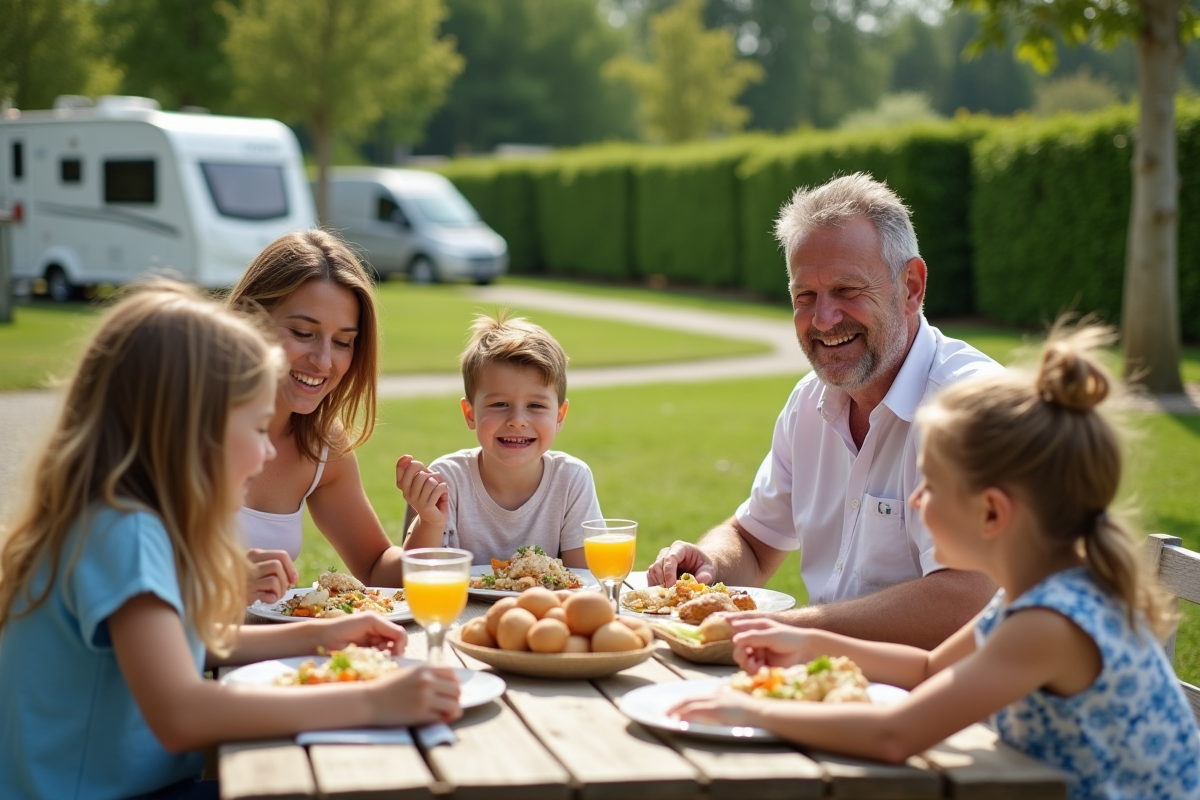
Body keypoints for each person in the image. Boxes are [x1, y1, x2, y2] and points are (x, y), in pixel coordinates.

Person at [670, 323, 1200, 799]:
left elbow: (895, 734)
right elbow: (928, 667)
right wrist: (807, 643)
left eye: (931, 487)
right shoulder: (1040, 596)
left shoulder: (1049, 622)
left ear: (992, 513)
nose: (916, 503)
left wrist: (753, 712)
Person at [0, 283, 460, 800]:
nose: (268, 452)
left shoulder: (128, 517)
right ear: (189, 426)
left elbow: (196, 642)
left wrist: (321, 635)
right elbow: (181, 714)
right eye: (257, 427)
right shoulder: (123, 531)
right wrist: (375, 703)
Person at [649, 173, 997, 648]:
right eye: (804, 297)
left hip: (953, 707)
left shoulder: (972, 408)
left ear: (911, 287)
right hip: (837, 688)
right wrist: (710, 561)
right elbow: (753, 540)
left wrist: (789, 630)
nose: (823, 319)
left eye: (847, 290)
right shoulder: (808, 404)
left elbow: (972, 598)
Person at [228, 229, 405, 602]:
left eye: (343, 342)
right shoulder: (178, 419)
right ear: (248, 317)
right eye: (303, 332)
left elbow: (375, 567)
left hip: (261, 656)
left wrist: (430, 524)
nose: (324, 361)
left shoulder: (322, 444)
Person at [397, 311, 601, 566]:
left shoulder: (571, 479)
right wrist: (429, 520)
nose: (517, 420)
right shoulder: (447, 479)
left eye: (535, 406)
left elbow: (582, 581)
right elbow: (415, 577)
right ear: (470, 414)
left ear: (560, 416)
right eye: (500, 404)